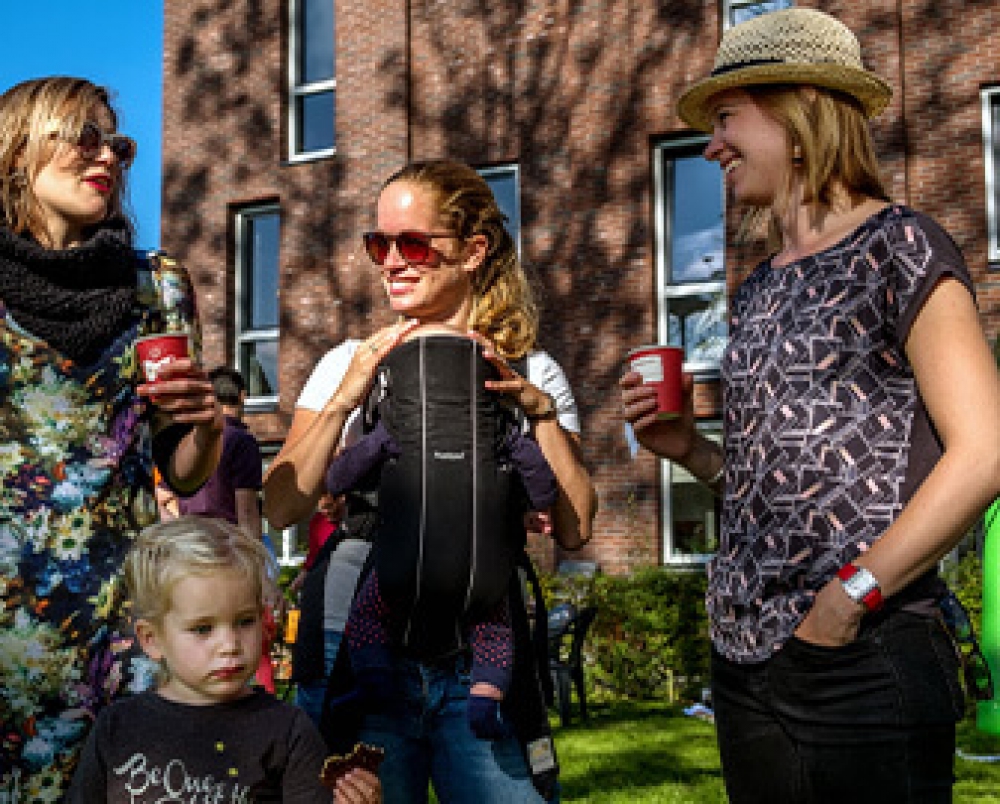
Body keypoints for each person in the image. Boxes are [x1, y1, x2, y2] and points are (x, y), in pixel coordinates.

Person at [621, 9, 1000, 803]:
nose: (710, 144)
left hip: (863, 653)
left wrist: (847, 599)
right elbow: (775, 492)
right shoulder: (757, 289)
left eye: (726, 118)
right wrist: (689, 448)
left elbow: (987, 450)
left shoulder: (901, 246)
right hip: (746, 664)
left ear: (796, 114)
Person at [264, 159, 598, 802]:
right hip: (355, 646)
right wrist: (343, 401)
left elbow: (577, 529)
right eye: (378, 244)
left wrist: (542, 418)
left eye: (412, 243)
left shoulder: (532, 369)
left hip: (482, 654)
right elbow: (281, 507)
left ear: (473, 251)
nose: (391, 261)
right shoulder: (347, 360)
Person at [0, 76, 225, 800]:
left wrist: (203, 426)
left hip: (119, 626)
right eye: (84, 136)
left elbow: (182, 473)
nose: (109, 158)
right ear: (16, 152)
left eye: (118, 144)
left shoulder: (159, 288)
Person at [324, 323, 559, 739]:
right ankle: (486, 694)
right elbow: (541, 480)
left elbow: (341, 474)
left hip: (402, 566)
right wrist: (533, 504)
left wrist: (340, 482)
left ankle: (376, 681)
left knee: (367, 615)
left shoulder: (394, 429)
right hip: (482, 569)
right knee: (495, 625)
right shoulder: (501, 430)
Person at [66, 516, 381, 804]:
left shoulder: (288, 731)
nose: (229, 645)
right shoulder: (118, 728)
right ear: (152, 639)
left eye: (245, 621)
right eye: (203, 628)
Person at [174, 365, 274, 690]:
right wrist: (261, 573)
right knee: (241, 640)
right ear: (242, 397)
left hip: (187, 548)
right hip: (226, 551)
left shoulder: (191, 441)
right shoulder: (241, 441)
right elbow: (246, 509)